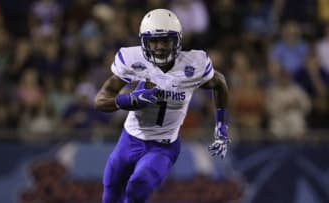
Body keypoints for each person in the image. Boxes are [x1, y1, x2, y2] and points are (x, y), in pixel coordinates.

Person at [95, 8, 230, 203]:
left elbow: (220, 83)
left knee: (137, 188)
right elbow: (100, 101)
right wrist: (129, 100)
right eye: (154, 41)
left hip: (163, 147)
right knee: (110, 193)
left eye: (165, 40)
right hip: (129, 140)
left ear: (178, 40)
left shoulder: (193, 65)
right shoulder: (133, 60)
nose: (159, 46)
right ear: (144, 41)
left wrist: (221, 126)